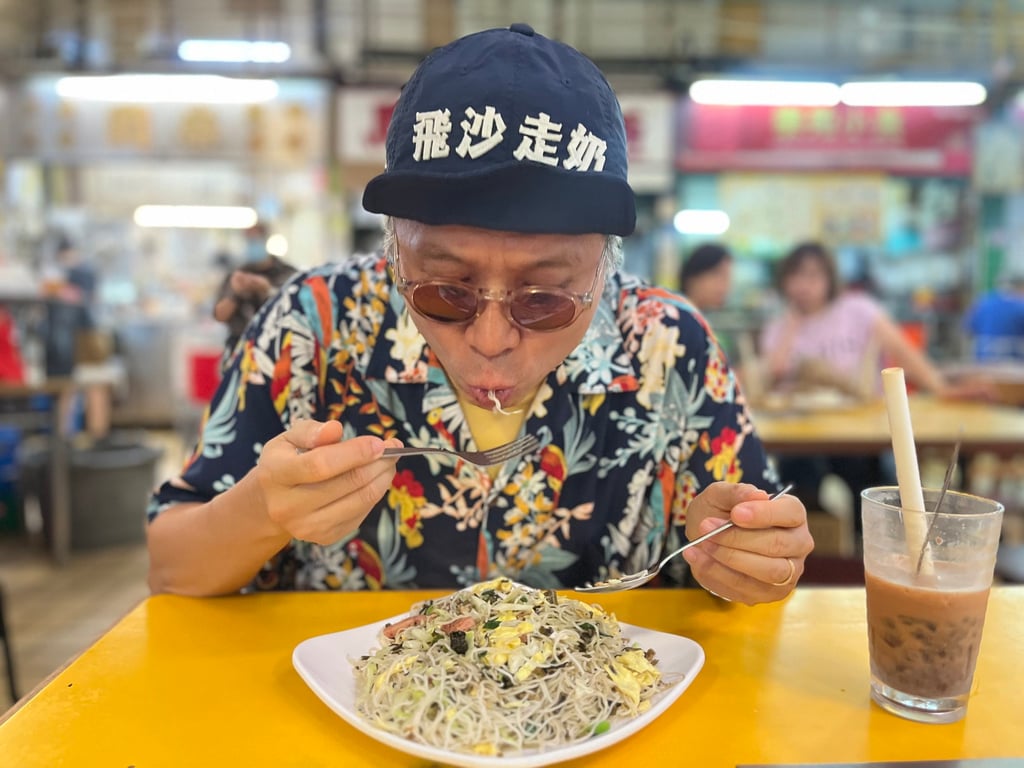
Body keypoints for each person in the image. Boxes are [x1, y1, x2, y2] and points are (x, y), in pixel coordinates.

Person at [147, 23, 812, 602]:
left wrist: (750, 555)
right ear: (395, 250)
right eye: (444, 291)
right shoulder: (311, 327)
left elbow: (763, 544)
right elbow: (170, 565)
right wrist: (263, 511)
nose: (491, 340)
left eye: (544, 299)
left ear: (604, 266)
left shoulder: (668, 344)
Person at [759, 241, 986, 515]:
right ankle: (816, 549)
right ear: (784, 280)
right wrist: (792, 324)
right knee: (797, 483)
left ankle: (863, 545)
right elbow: (774, 375)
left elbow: (902, 350)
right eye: (795, 275)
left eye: (813, 275)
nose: (803, 285)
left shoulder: (857, 310)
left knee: (876, 490)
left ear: (830, 279)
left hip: (860, 432)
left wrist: (940, 387)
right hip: (804, 438)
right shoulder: (778, 327)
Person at [211, 224, 296, 363]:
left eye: (256, 240)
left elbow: (297, 309)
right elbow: (220, 315)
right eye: (249, 241)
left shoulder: (287, 274)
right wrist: (236, 293)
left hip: (278, 352)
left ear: (266, 240)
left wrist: (268, 291)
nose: (253, 245)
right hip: (240, 351)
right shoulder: (237, 275)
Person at [964, 266, 1024, 362]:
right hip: (1014, 364)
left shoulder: (983, 302)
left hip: (983, 361)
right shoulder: (1020, 305)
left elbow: (968, 329)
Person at [679, 242, 733, 313]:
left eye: (727, 278)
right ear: (693, 276)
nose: (725, 286)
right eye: (716, 274)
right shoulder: (670, 318)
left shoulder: (702, 318)